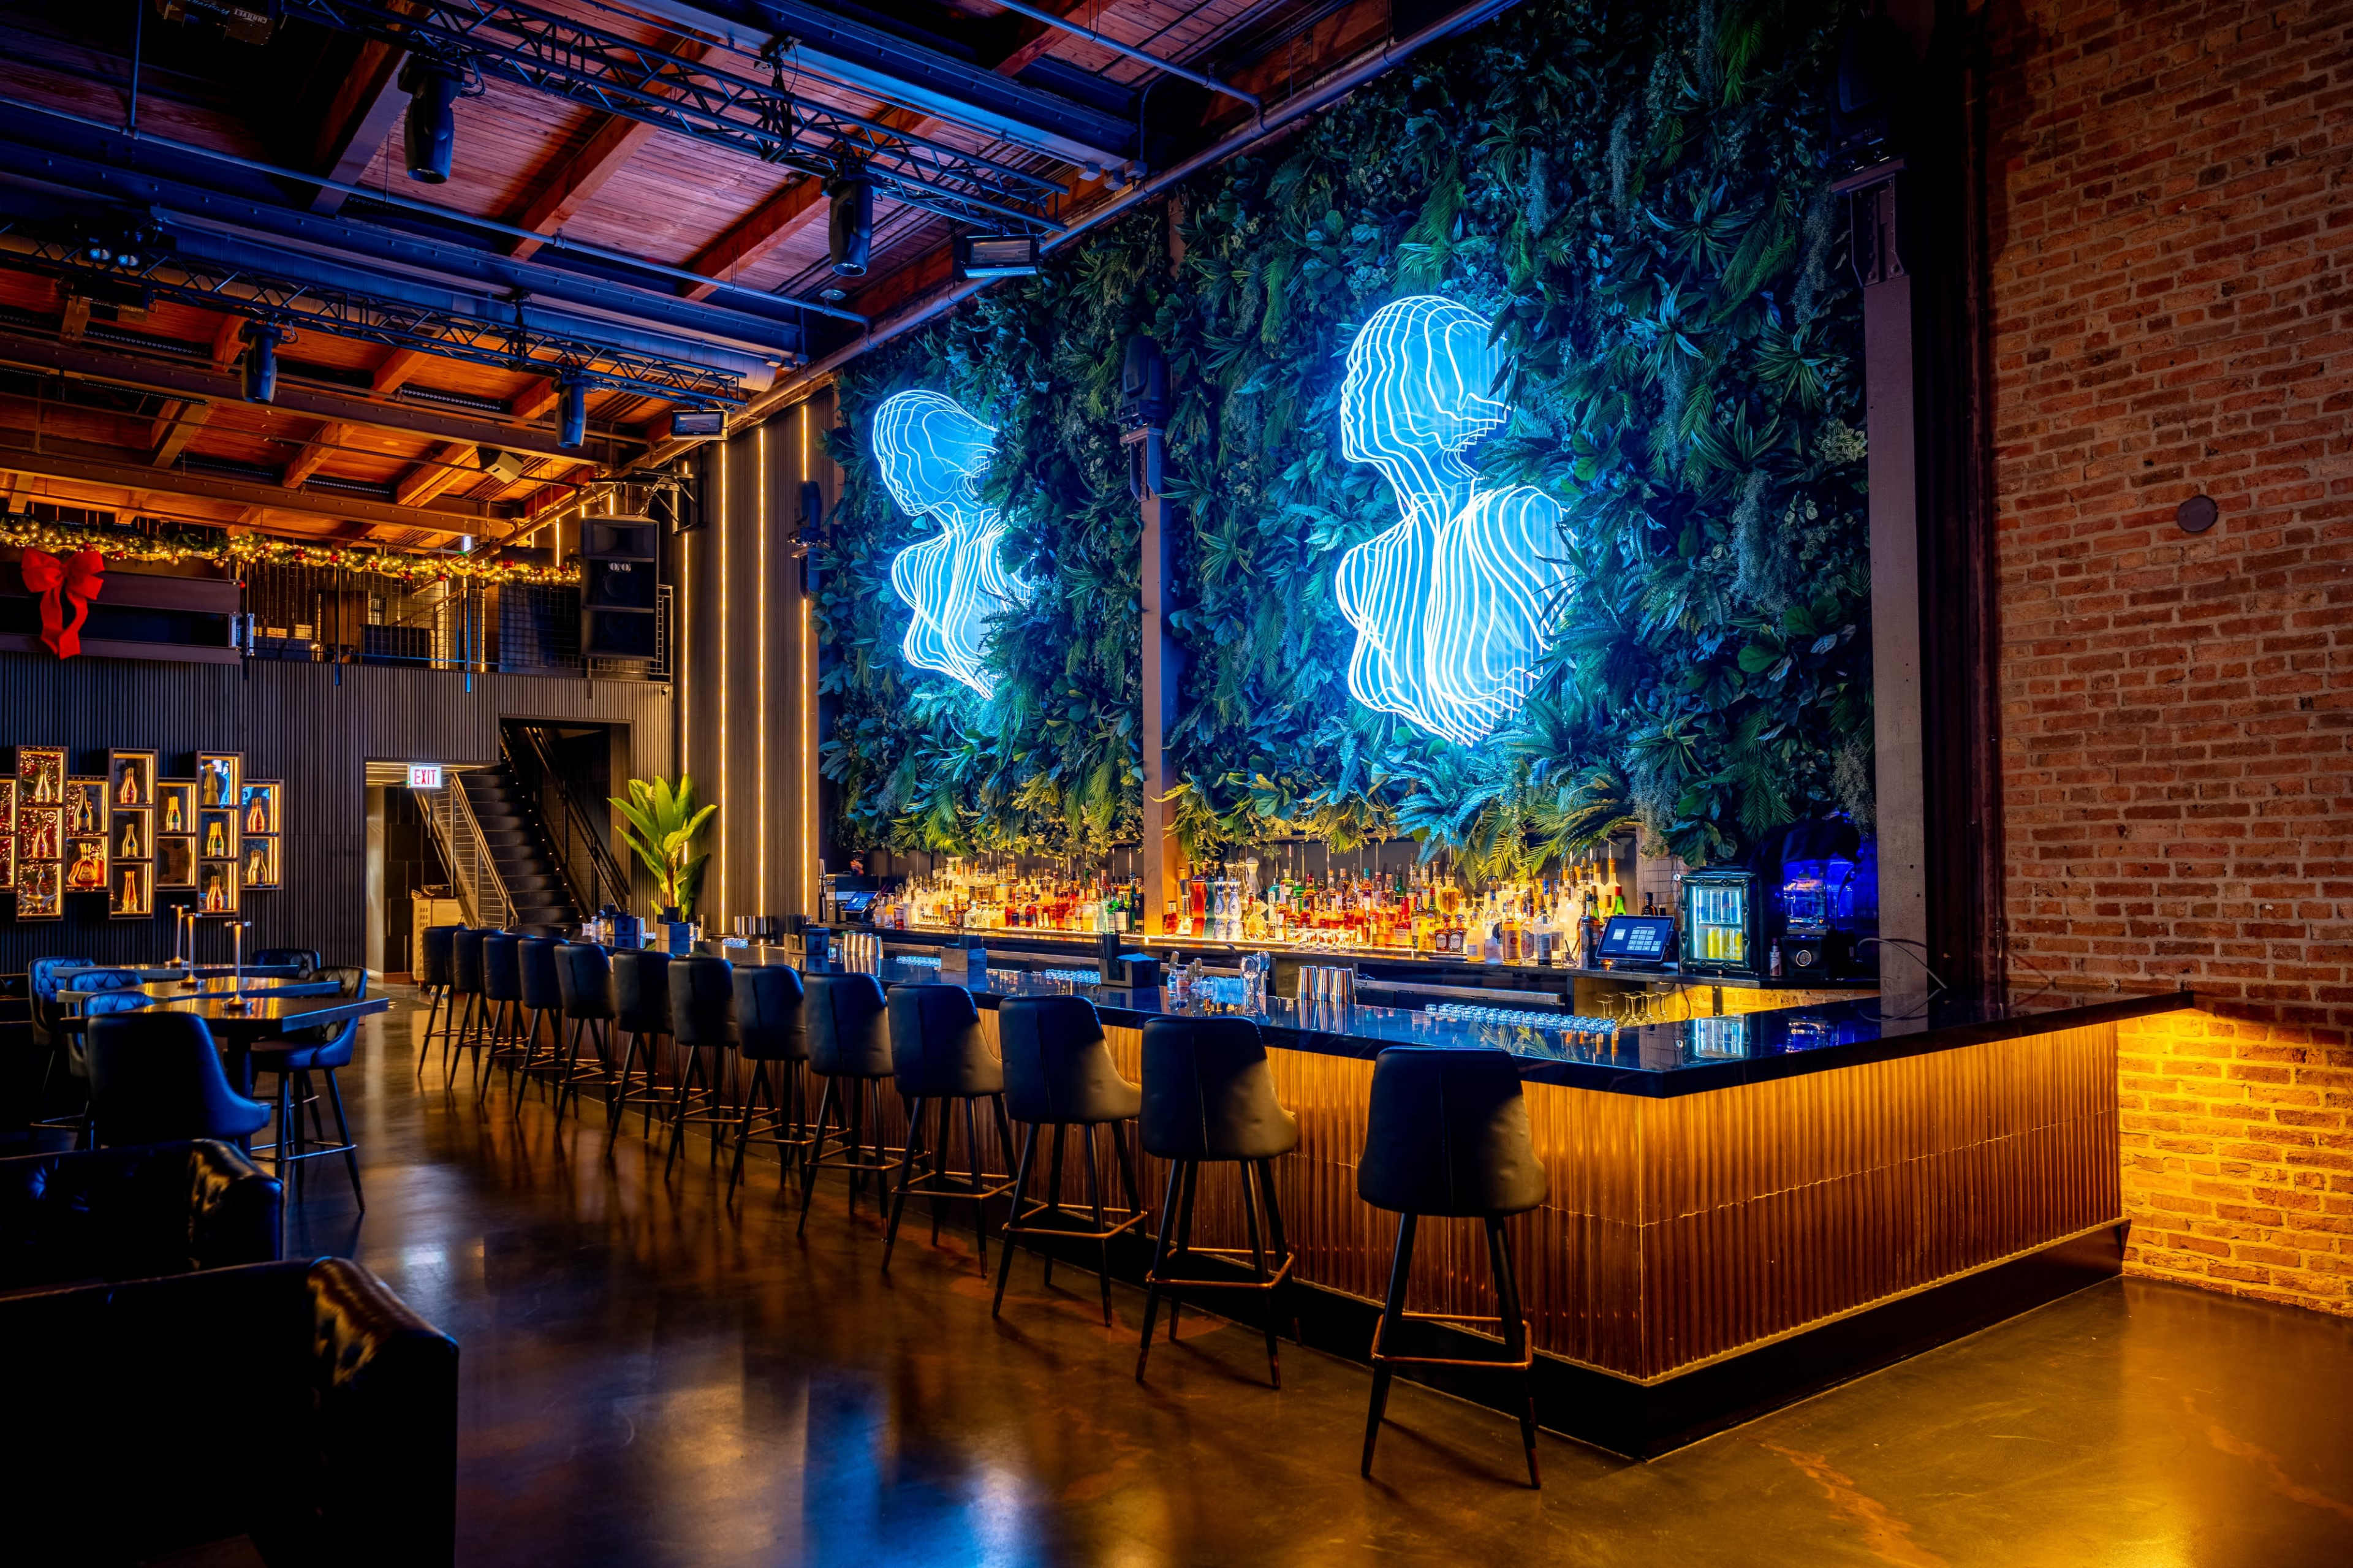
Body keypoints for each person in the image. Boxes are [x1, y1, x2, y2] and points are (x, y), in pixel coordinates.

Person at [1333, 296, 1572, 748]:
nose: (1350, 388)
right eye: (1354, 372)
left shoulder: (1511, 522)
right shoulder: (1369, 565)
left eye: (1376, 367)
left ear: (1443, 396)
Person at [869, 388, 1026, 697]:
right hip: (1003, 729)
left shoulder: (999, 536)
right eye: (885, 462)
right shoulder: (917, 565)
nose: (893, 475)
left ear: (938, 450)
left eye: (901, 456)